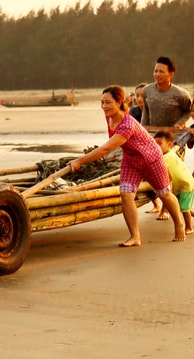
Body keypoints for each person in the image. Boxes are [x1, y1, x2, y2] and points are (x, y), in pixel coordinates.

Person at [69, 85, 186, 246]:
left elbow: (107, 148)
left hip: (151, 159)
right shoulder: (109, 117)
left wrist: (80, 161)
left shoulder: (127, 124)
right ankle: (135, 236)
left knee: (164, 193)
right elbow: (112, 145)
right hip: (131, 160)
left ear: (119, 103)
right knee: (126, 195)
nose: (104, 106)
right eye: (102, 102)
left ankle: (179, 224)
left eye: (108, 103)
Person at [154, 130, 194, 234]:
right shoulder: (168, 153)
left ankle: (189, 227)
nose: (156, 147)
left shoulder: (166, 157)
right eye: (155, 144)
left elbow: (159, 168)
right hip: (179, 185)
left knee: (184, 208)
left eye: (160, 144)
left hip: (186, 185)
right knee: (181, 207)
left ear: (170, 144)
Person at [129, 82, 163, 215]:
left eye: (142, 96)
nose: (139, 99)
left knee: (161, 179)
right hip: (139, 147)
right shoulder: (134, 111)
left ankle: (164, 210)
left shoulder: (155, 111)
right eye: (137, 96)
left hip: (155, 146)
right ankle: (156, 204)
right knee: (145, 178)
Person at [141, 56, 192, 129]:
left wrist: (180, 123)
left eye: (161, 71)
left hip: (173, 134)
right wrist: (143, 128)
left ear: (171, 74)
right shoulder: (147, 90)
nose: (157, 74)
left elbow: (189, 111)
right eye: (156, 71)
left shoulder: (182, 94)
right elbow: (146, 112)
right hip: (152, 133)